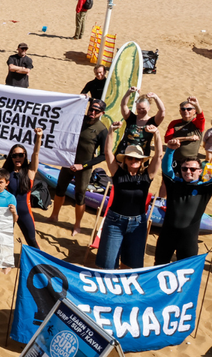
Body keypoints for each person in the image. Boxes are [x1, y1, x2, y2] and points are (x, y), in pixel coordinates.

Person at [95, 122, 162, 269]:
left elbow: (159, 155)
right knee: (108, 263)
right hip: (115, 221)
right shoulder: (118, 173)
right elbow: (107, 153)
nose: (133, 161)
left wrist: (156, 134)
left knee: (130, 263)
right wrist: (111, 131)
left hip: (138, 223)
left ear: (141, 161)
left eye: (137, 159)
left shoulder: (147, 175)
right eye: (130, 158)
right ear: (124, 159)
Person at [49, 99, 109, 235]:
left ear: (102, 113)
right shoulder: (78, 121)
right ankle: (54, 215)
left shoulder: (101, 130)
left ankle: (77, 225)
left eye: (96, 111)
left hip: (84, 167)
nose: (92, 112)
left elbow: (104, 155)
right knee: (60, 188)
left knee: (80, 195)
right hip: (68, 162)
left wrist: (83, 165)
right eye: (91, 109)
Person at [155, 140, 212, 264]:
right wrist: (170, 150)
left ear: (199, 171)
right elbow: (166, 168)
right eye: (184, 169)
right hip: (167, 237)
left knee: (185, 274)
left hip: (188, 241)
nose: (188, 171)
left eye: (192, 169)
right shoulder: (174, 183)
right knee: (158, 267)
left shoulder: (204, 189)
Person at [1, 130, 43, 249]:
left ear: (25, 156)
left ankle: (41, 264)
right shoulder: (6, 173)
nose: (17, 157)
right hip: (8, 212)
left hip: (25, 213)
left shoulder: (30, 172)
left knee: (32, 240)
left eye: (21, 155)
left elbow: (36, 153)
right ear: (11, 157)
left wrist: (38, 137)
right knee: (5, 239)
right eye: (14, 155)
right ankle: (6, 264)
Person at [117, 87, 165, 154]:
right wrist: (128, 92)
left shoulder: (152, 122)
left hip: (142, 154)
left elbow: (162, 111)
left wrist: (156, 97)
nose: (140, 111)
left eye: (143, 108)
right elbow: (123, 105)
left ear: (148, 108)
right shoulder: (131, 118)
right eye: (138, 109)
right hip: (123, 152)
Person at [164, 97, 204, 164]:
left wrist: (197, 105)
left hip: (191, 162)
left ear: (195, 111)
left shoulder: (197, 124)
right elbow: (168, 140)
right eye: (183, 109)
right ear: (180, 111)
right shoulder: (174, 123)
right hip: (175, 160)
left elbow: (201, 117)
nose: (186, 111)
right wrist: (187, 138)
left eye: (189, 109)